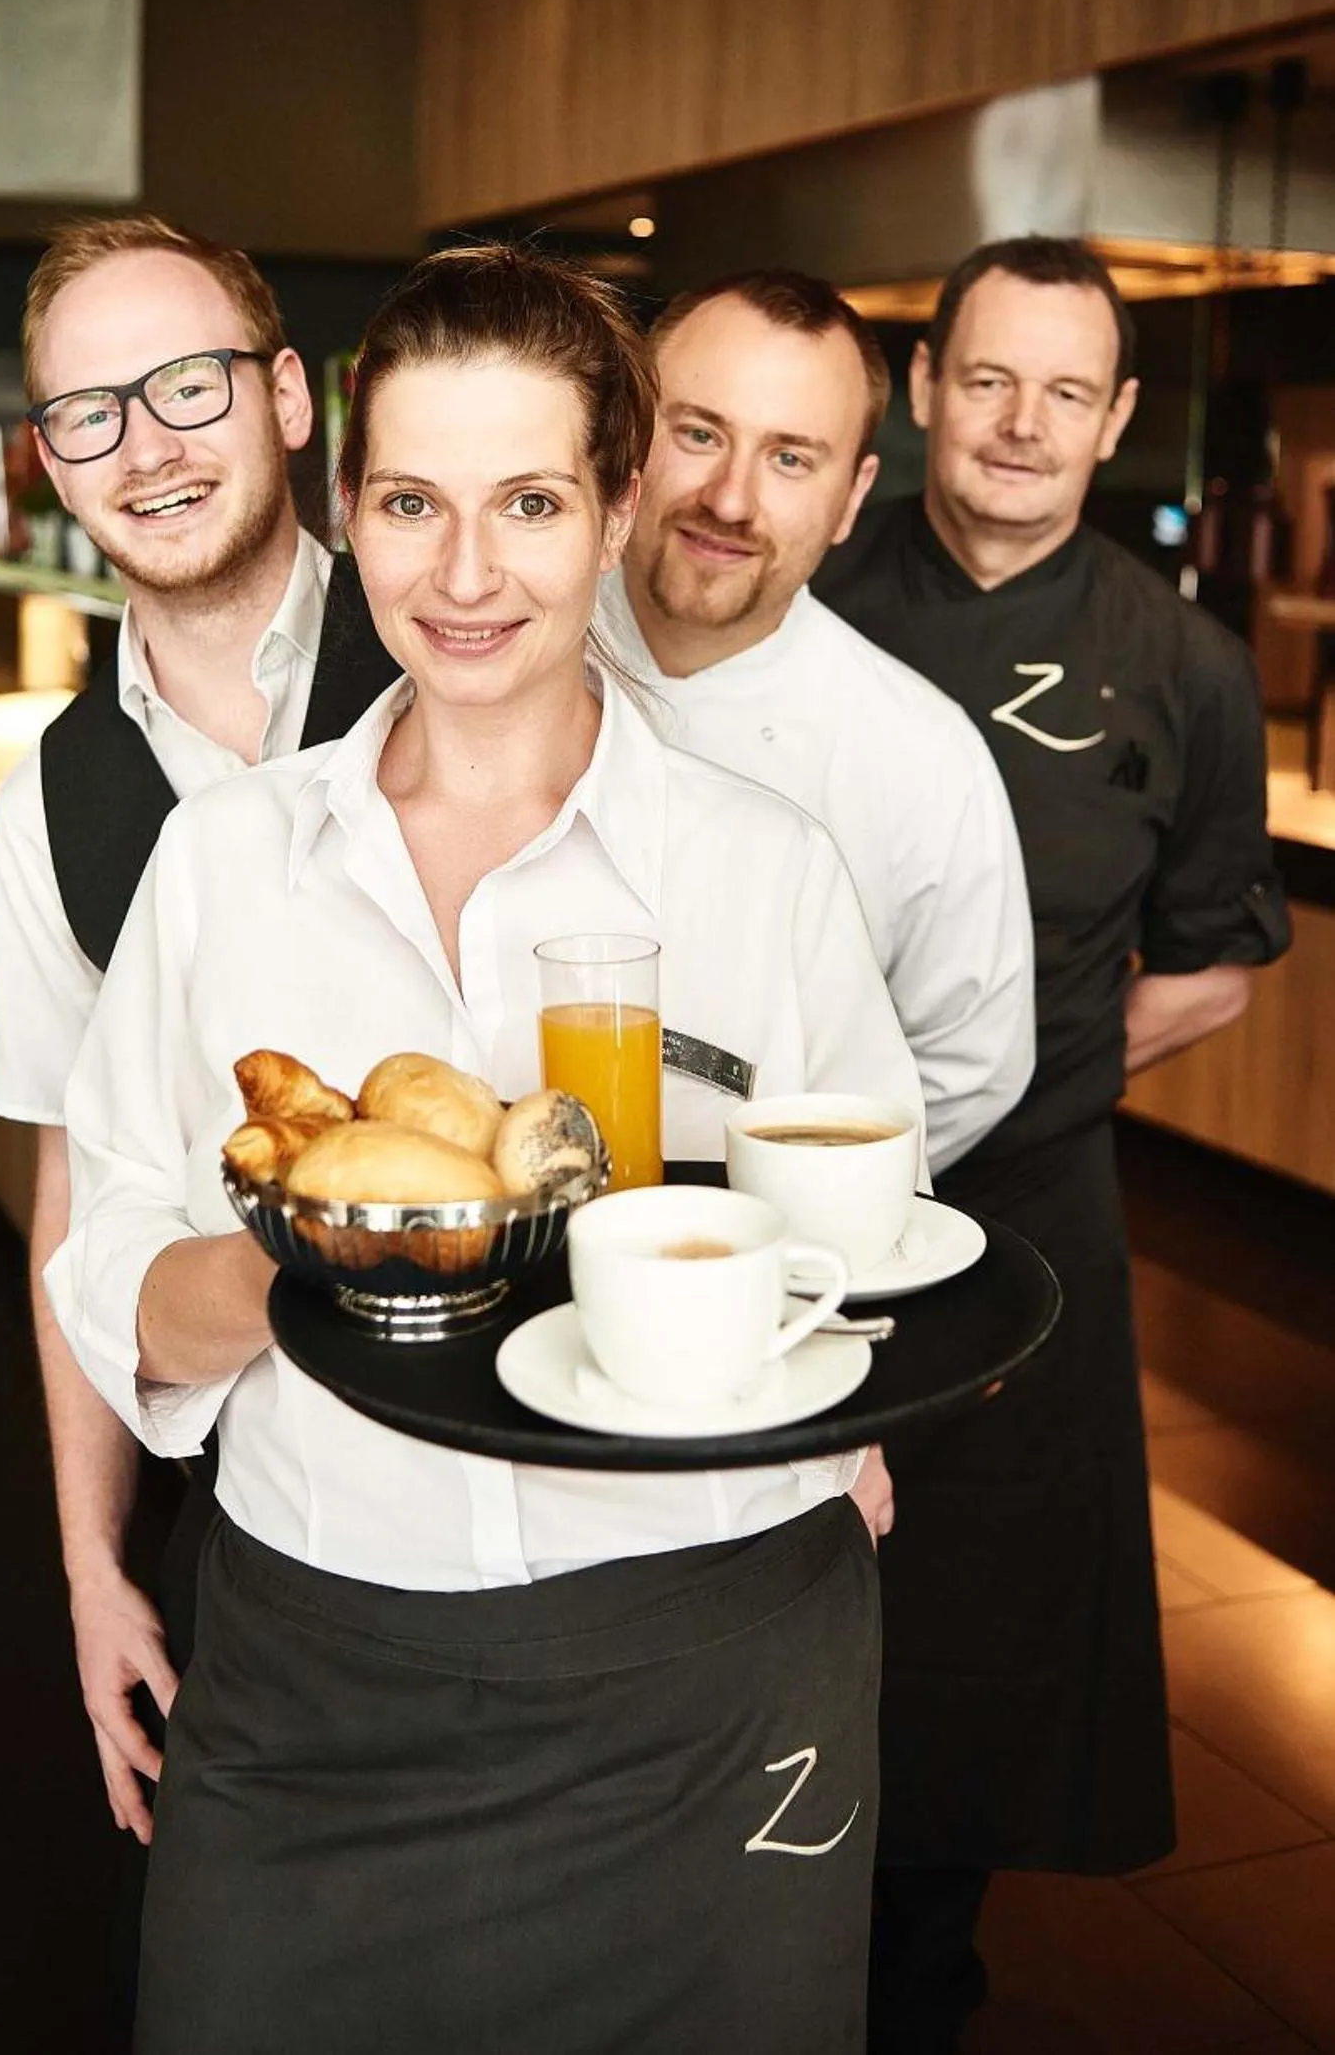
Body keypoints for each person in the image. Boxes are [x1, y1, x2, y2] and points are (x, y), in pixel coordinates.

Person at [47, 242, 926, 2053]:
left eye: (527, 501)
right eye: (410, 503)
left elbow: (866, 1237)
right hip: (313, 1679)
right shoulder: (226, 865)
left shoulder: (761, 869)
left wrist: (816, 1382)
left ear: (614, 511)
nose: (463, 574)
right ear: (346, 515)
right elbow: (110, 1262)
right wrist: (305, 1253)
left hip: (706, 1673)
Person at [813, 235, 1292, 2055]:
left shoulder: (1185, 665)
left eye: (1063, 391)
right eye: (985, 379)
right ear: (923, 389)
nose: (1019, 424)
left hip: (1023, 1220)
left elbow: (1209, 972)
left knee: (976, 1638)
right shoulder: (801, 603)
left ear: (1115, 419)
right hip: (759, 1204)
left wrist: (1025, 1077)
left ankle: (910, 1992)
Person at [0, 217, 396, 1868]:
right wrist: (93, 1568)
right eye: (90, 411)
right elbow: (72, 1198)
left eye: (188, 386)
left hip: (566, 1492)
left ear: (289, 398)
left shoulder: (467, 643)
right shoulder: (56, 800)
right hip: (266, 1521)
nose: (145, 445)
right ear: (48, 464)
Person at [599, 269, 1034, 1174]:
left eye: (791, 457)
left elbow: (971, 1063)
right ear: (631, 431)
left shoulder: (923, 754)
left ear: (851, 495)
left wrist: (798, 1198)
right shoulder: (495, 651)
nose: (730, 497)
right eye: (698, 432)